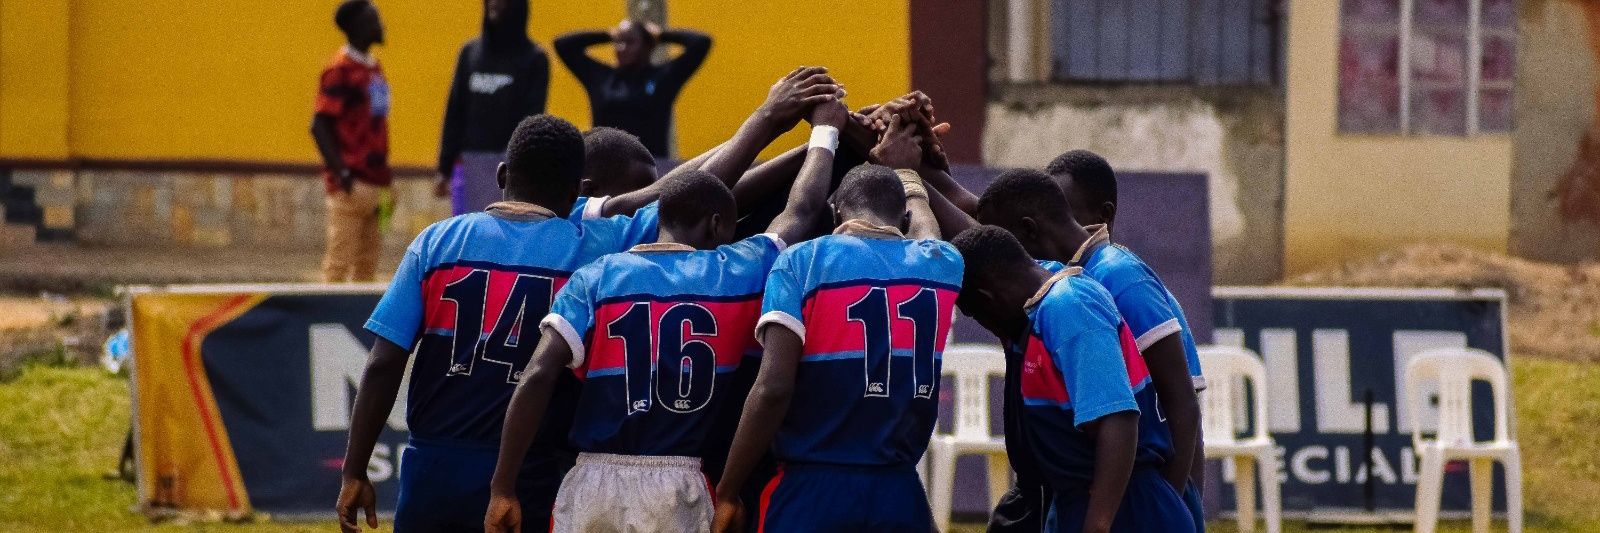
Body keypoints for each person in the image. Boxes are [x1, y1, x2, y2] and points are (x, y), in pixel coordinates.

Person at [482, 100, 847, 533]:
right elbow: (800, 211)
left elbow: (537, 375)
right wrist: (828, 134)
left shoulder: (595, 275)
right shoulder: (734, 273)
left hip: (592, 478)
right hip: (679, 482)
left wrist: (502, 486)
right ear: (717, 226)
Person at [334, 115, 658, 533]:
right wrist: (746, 134)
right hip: (527, 472)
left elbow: (383, 363)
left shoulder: (436, 242)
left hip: (432, 469)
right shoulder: (592, 249)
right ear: (575, 192)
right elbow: (689, 196)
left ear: (503, 175)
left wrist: (354, 470)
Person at [711, 119, 964, 533]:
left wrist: (729, 488)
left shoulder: (802, 261)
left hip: (811, 488)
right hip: (899, 490)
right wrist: (906, 171)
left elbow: (773, 388)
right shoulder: (941, 264)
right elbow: (927, 230)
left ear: (835, 212)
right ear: (902, 218)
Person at [949, 225, 1194, 533]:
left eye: (976, 314)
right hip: (1075, 500)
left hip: (1121, 505)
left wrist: (1097, 524)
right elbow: (978, 243)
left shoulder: (1068, 306)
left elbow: (1117, 418)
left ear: (987, 299)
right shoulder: (1038, 294)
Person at [1047, 150, 1208, 531]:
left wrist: (1167, 502)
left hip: (1149, 490)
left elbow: (1183, 405)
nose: (1052, 225)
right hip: (1111, 486)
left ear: (1103, 215)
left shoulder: (1120, 277)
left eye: (1064, 213)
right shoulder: (1073, 279)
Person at [435, 0, 551, 215]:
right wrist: (444, 167)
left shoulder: (534, 59)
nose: (494, 4)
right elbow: (455, 110)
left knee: (499, 230)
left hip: (508, 165)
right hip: (469, 163)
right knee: (468, 228)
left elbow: (532, 119)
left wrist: (519, 166)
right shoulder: (470, 53)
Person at [311, 0, 389, 283]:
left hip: (377, 185)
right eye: (374, 20)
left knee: (367, 267)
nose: (381, 25)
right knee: (338, 267)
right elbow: (319, 124)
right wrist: (342, 174)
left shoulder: (374, 68)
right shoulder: (339, 70)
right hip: (351, 185)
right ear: (357, 27)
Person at [554, 20, 712, 157]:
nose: (622, 47)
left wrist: (660, 34)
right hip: (605, 165)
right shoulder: (600, 77)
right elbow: (563, 44)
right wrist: (609, 34)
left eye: (630, 42)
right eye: (618, 42)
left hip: (652, 167)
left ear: (648, 45)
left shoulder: (664, 78)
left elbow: (701, 42)